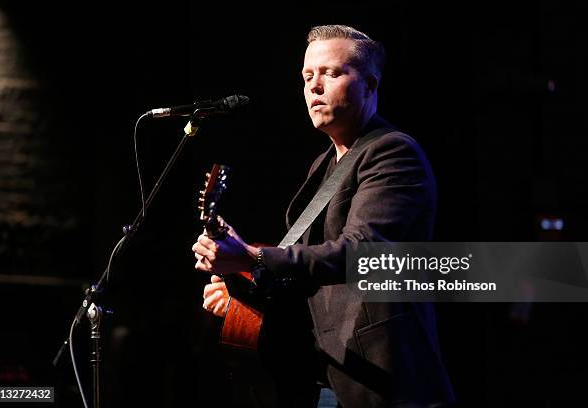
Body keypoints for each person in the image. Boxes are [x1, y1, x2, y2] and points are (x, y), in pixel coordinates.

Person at [192, 25, 455, 408]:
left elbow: (361, 253)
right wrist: (242, 292)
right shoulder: (323, 165)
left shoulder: (393, 153)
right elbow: (306, 272)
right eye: (307, 76)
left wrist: (253, 257)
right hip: (328, 373)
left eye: (331, 73)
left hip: (383, 379)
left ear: (369, 84)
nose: (315, 87)